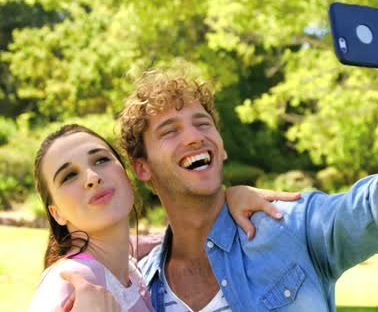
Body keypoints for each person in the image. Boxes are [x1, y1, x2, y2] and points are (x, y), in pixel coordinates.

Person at [80, 0, 378, 311]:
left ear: (221, 145)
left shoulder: (289, 224)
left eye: (203, 124)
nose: (193, 137)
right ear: (142, 167)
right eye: (169, 131)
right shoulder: (141, 286)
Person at [28, 124, 300, 311]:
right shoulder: (69, 282)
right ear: (56, 213)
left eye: (100, 160)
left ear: (126, 176)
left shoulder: (130, 267)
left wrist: (228, 199)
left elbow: (178, 237)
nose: (92, 178)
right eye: (69, 176)